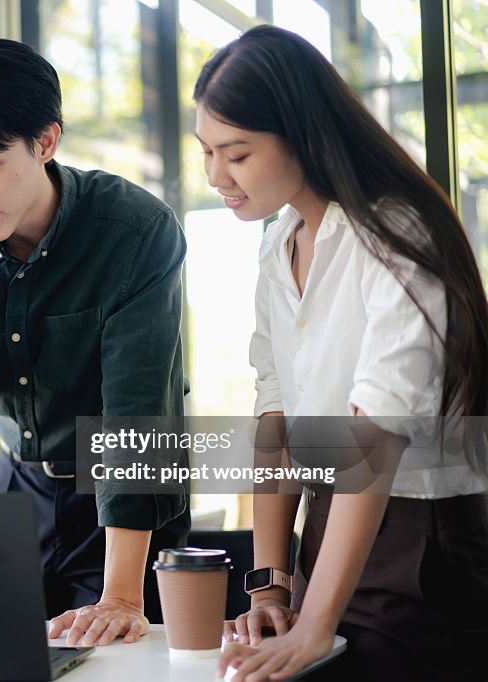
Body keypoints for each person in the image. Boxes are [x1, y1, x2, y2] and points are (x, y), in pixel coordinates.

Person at [193, 25, 488, 681]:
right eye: (206, 151)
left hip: (418, 548)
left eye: (235, 154)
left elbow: (372, 434)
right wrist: (270, 585)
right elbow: (275, 415)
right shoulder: (279, 244)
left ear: (301, 136)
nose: (215, 176)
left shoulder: (399, 233)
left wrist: (315, 625)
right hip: (326, 537)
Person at [0, 38, 191, 647]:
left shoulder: (135, 230)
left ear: (44, 142)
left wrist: (121, 595)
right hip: (14, 492)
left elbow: (137, 414)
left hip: (125, 505)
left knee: (106, 662)